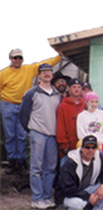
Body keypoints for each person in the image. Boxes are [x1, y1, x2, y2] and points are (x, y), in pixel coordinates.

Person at [0, 49, 61, 174]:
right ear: (11, 59)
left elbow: (46, 64)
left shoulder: (29, 69)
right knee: (10, 135)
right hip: (7, 104)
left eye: (20, 58)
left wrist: (59, 57)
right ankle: (12, 161)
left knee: (22, 135)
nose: (18, 60)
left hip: (23, 105)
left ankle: (21, 162)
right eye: (15, 58)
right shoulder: (3, 73)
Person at [18, 63, 61, 209]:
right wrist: (30, 131)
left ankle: (47, 197)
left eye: (49, 71)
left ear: (52, 74)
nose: (47, 74)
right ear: (39, 75)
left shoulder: (57, 94)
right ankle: (37, 199)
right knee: (36, 168)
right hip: (38, 133)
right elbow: (23, 115)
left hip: (53, 135)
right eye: (43, 72)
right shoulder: (31, 93)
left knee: (51, 168)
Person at [54, 135, 103, 210]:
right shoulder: (71, 163)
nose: (90, 150)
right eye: (87, 147)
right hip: (67, 195)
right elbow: (68, 189)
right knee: (80, 205)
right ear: (82, 148)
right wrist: (88, 196)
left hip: (86, 189)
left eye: (93, 147)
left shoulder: (98, 157)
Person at [56, 78, 84, 166]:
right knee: (66, 176)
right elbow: (60, 128)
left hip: (83, 148)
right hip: (68, 149)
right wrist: (65, 147)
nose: (76, 89)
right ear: (69, 89)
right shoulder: (63, 107)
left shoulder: (84, 105)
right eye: (74, 87)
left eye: (79, 87)